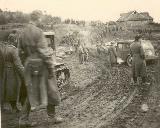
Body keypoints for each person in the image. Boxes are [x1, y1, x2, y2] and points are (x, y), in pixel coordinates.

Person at [18, 23, 63, 126]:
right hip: (41, 65)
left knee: (31, 91)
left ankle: (23, 120)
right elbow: (44, 52)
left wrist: (26, 63)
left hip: (29, 65)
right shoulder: (38, 32)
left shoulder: (22, 33)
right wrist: (50, 68)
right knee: (51, 90)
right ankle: (52, 117)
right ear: (37, 19)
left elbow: (19, 52)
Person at [0, 41, 24, 112]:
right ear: (15, 40)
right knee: (12, 89)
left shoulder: (2, 47)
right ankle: (14, 108)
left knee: (4, 89)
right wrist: (24, 74)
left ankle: (2, 107)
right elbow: (18, 64)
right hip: (11, 71)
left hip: (3, 70)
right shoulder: (13, 49)